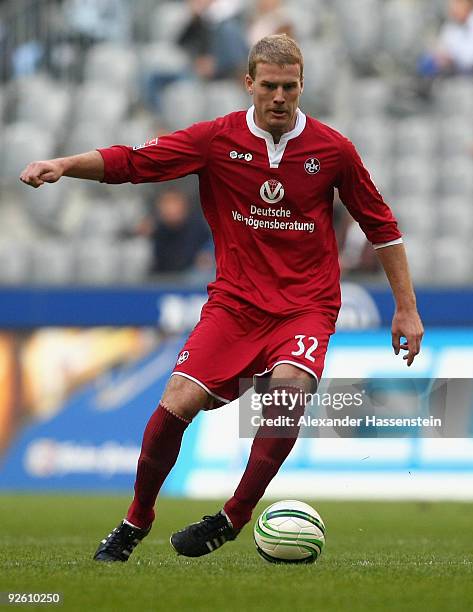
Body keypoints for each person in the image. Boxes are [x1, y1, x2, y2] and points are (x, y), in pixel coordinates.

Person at [20, 34, 424, 562]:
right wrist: (65, 164)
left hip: (306, 307)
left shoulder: (332, 150)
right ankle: (135, 519)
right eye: (270, 86)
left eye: (290, 87)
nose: (280, 97)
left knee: (285, 402)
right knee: (174, 406)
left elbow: (381, 225)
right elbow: (135, 161)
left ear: (302, 86)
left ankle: (233, 517)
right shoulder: (216, 140)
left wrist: (407, 307)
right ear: (249, 84)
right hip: (234, 305)